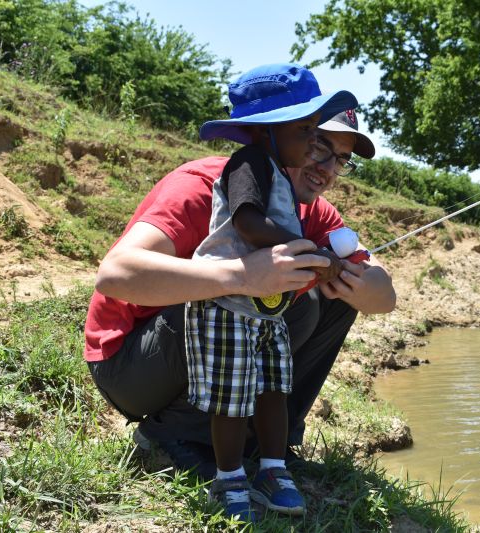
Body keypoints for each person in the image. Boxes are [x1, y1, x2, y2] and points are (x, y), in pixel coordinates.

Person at [82, 72, 394, 517]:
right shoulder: (206, 182)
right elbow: (116, 275)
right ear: (281, 132)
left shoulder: (312, 210)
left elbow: (385, 297)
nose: (325, 166)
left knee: (323, 299)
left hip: (194, 350)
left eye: (340, 160)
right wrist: (243, 276)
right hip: (130, 364)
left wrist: (360, 280)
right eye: (318, 143)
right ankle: (170, 437)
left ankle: (267, 446)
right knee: (275, 303)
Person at [185, 63, 357, 520]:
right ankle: (228, 478)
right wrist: (308, 250)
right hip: (227, 305)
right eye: (304, 130)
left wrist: (316, 254)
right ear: (269, 130)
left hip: (264, 312)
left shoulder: (278, 171)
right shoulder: (250, 163)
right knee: (232, 395)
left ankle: (272, 469)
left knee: (273, 388)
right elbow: (247, 222)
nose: (311, 141)